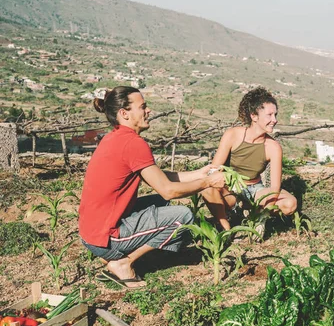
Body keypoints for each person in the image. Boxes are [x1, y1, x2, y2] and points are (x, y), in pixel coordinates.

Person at [78, 86, 225, 288]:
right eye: (143, 107)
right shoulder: (133, 144)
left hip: (91, 233)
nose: (149, 111)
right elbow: (168, 190)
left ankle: (116, 254)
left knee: (160, 203)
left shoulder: (115, 137)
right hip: (105, 238)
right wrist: (207, 182)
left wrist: (201, 173)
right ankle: (124, 262)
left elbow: (161, 177)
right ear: (124, 113)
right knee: (183, 215)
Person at [201, 87, 297, 231]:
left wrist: (263, 214)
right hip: (231, 187)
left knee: (290, 204)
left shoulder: (273, 147)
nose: (274, 120)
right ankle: (225, 226)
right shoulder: (233, 135)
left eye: (275, 115)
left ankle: (253, 215)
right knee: (207, 189)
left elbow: (275, 187)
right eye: (269, 115)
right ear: (254, 116)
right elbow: (214, 169)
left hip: (255, 189)